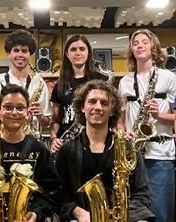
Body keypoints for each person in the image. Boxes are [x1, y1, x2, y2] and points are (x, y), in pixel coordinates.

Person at [56, 79, 155, 222]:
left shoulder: (128, 148)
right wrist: (77, 212)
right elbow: (59, 192)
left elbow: (141, 194)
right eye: (92, 101)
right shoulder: (68, 149)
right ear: (82, 107)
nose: (98, 107)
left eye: (104, 103)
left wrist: (122, 216)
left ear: (112, 110)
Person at [0, 84, 61, 222]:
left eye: (20, 108)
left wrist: (36, 214)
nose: (14, 112)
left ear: (28, 113)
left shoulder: (39, 148)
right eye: (8, 107)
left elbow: (53, 191)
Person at [118, 29, 176, 222]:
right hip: (133, 155)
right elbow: (120, 119)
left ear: (154, 47)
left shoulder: (168, 77)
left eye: (145, 41)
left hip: (160, 155)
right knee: (133, 214)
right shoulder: (125, 81)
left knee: (161, 213)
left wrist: (159, 115)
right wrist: (123, 134)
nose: (140, 45)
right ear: (131, 50)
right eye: (135, 43)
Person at [50, 34, 108, 153]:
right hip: (66, 143)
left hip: (95, 142)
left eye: (82, 49)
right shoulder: (60, 84)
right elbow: (56, 118)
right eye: (73, 49)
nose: (78, 53)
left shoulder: (101, 81)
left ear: (88, 53)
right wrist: (54, 138)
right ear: (67, 54)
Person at [0, 29, 51, 129]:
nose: (20, 55)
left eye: (24, 51)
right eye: (16, 50)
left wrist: (40, 116)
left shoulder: (39, 83)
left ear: (30, 54)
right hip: (2, 139)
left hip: (31, 140)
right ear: (8, 53)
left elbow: (46, 124)